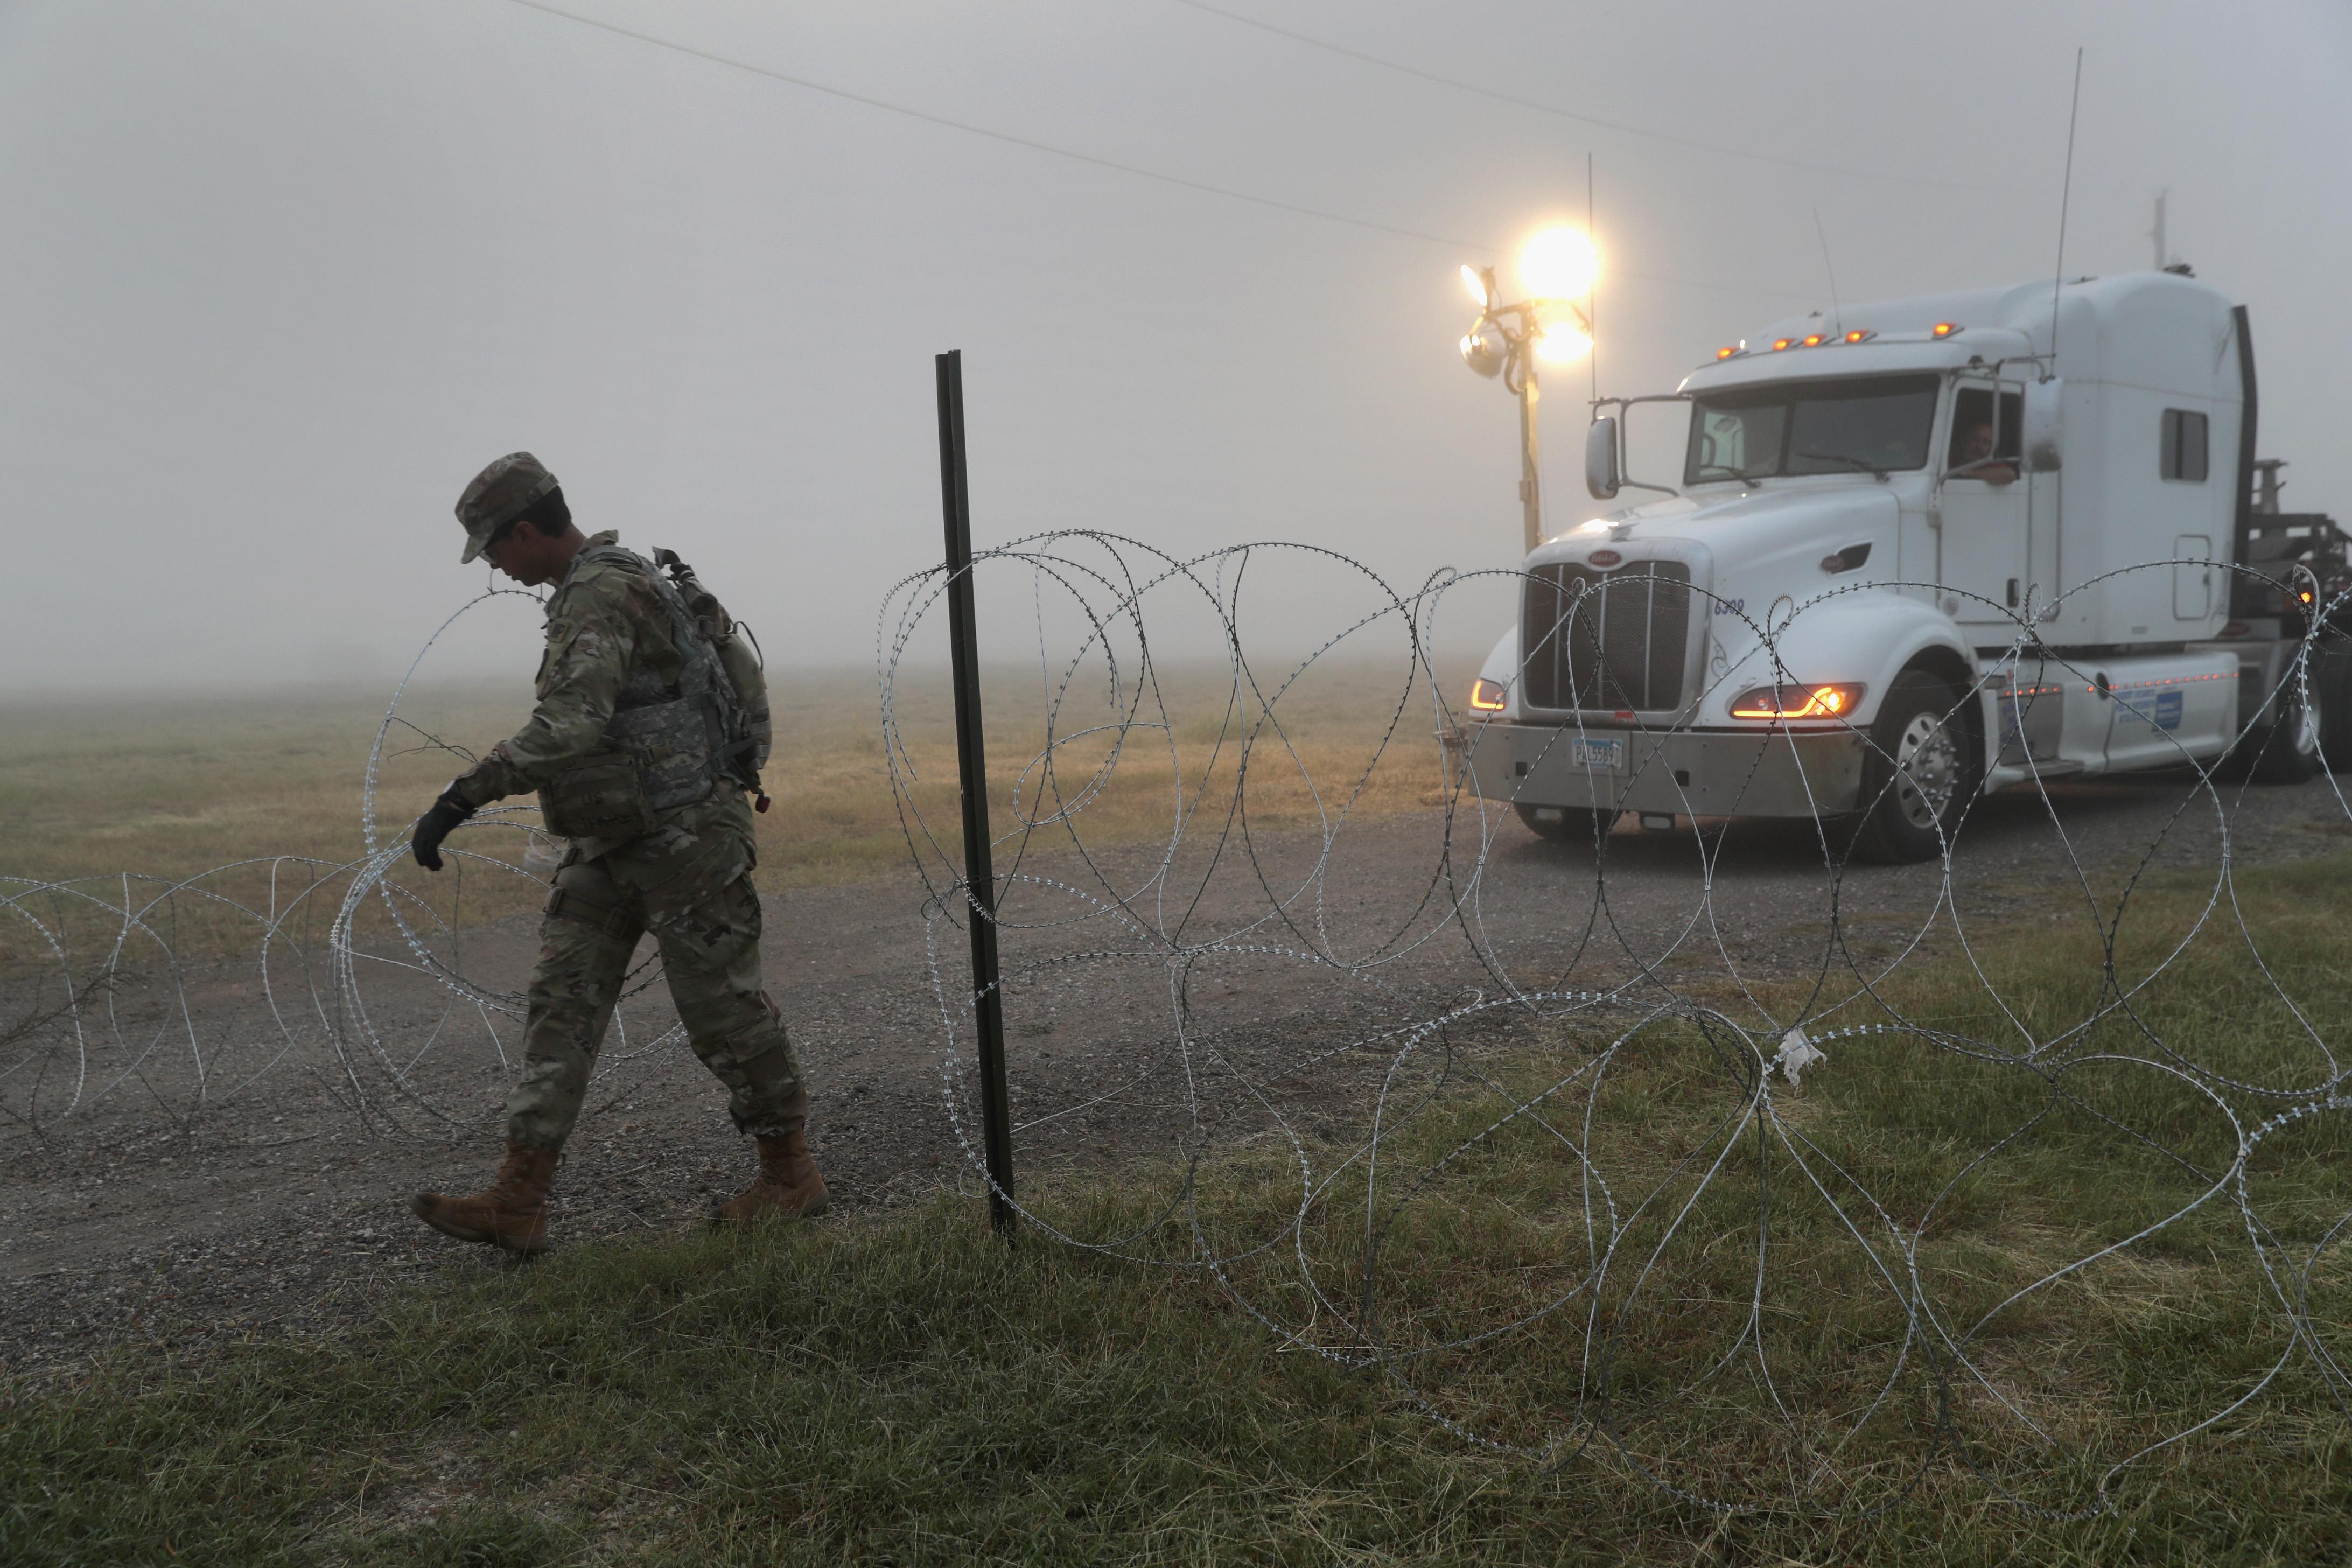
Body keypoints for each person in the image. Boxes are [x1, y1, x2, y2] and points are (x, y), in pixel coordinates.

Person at [407, 452, 823, 1255]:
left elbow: (571, 723)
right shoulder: (608, 583)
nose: (495, 567)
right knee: (561, 1006)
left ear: (527, 533)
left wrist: (462, 796)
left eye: (495, 549)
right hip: (612, 839)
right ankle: (517, 1200)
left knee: (725, 1016)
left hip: (687, 840)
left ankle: (791, 1175)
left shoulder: (598, 593)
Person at [1952, 420, 2018, 485]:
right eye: (1975, 439)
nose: (1979, 446)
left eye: (1986, 442)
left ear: (1992, 448)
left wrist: (1970, 473)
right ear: (1965, 440)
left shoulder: (1990, 465)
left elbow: (2009, 475)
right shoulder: (1952, 460)